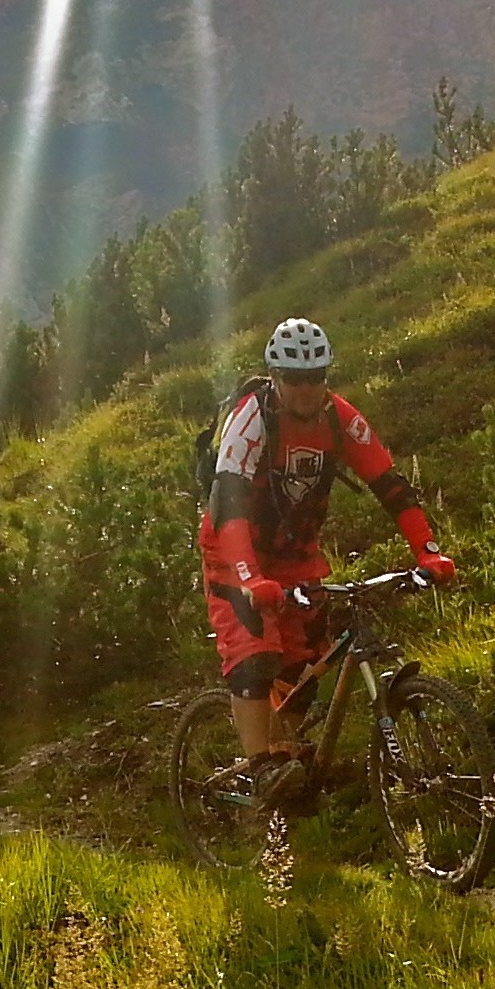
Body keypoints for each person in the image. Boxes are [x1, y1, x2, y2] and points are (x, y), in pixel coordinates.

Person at [200, 318, 455, 802]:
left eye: (316, 376)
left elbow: (391, 486)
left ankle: (284, 763)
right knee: (254, 652)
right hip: (234, 547)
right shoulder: (251, 419)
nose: (306, 388)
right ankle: (261, 767)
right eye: (294, 378)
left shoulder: (340, 419)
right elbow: (227, 500)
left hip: (296, 553)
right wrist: (249, 577)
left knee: (302, 666)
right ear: (274, 377)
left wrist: (428, 551)